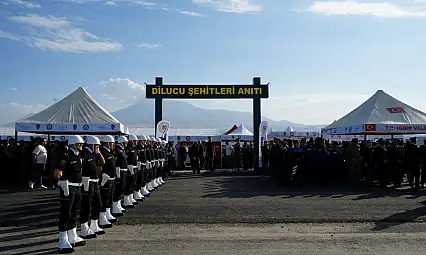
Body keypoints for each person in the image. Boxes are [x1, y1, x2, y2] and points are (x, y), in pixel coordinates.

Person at [55, 135, 87, 253]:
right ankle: (62, 241)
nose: (81, 146)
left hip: (77, 187)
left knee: (74, 212)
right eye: (79, 144)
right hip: (68, 187)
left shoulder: (79, 156)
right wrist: (62, 182)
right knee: (66, 213)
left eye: (81, 144)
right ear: (73, 144)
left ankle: (72, 236)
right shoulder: (66, 156)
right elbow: (57, 173)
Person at [80, 136, 105, 239]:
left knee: (98, 204)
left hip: (95, 182)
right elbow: (80, 168)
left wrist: (98, 152)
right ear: (91, 144)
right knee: (86, 205)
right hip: (88, 182)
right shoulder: (85, 154)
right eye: (97, 145)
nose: (98, 147)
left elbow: (103, 162)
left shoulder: (94, 154)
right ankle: (84, 227)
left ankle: (94, 225)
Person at [99, 135, 117, 228]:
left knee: (109, 197)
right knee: (104, 198)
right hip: (106, 179)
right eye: (112, 143)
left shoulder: (110, 152)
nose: (113, 145)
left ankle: (107, 213)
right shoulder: (103, 152)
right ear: (108, 143)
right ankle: (102, 217)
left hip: (112, 179)